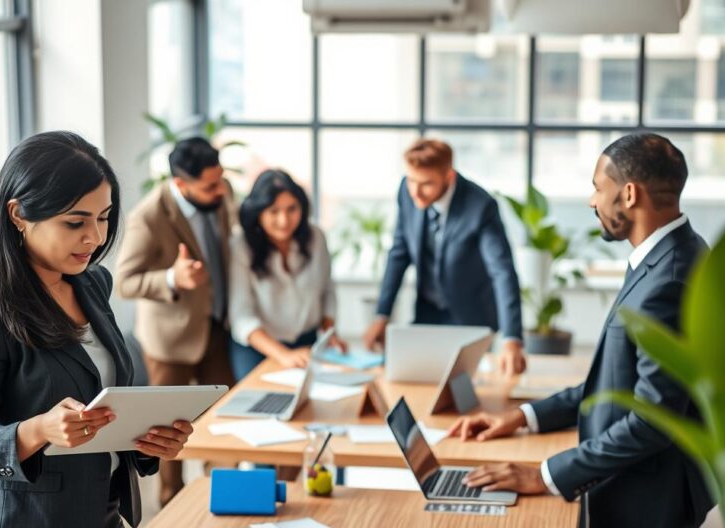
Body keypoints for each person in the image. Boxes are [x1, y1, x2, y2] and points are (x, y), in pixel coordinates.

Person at [446, 134, 713, 528]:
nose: (592, 200)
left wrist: (546, 475)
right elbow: (616, 382)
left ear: (628, 193)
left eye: (597, 186)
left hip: (648, 503)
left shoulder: (669, 276)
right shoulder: (671, 254)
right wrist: (522, 416)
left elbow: (652, 417)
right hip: (640, 491)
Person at [0, 131, 193, 528]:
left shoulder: (91, 283)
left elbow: (103, 399)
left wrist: (149, 441)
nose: (94, 237)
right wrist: (39, 429)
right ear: (18, 214)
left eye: (103, 217)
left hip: (101, 526)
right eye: (75, 222)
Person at [115, 136, 235, 506]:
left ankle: (225, 498)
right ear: (181, 184)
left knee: (222, 416)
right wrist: (171, 278)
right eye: (210, 185)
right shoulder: (148, 217)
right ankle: (171, 504)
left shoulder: (221, 192)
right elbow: (124, 281)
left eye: (220, 179)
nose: (220, 189)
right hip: (169, 340)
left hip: (215, 325)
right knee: (168, 429)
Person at [362, 138, 526, 376]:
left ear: (449, 177)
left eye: (426, 183)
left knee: (464, 388)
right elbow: (399, 252)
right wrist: (382, 314)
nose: (416, 192)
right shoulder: (406, 192)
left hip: (470, 317)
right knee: (412, 377)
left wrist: (512, 339)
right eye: (411, 181)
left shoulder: (481, 206)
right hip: (427, 312)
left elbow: (502, 271)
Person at [228, 169, 344, 380]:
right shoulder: (241, 246)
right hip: (259, 346)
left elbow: (327, 289)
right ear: (258, 213)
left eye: (292, 209)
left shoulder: (315, 237)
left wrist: (330, 335)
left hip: (306, 340)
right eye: (273, 211)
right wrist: (283, 355)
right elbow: (241, 316)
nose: (284, 220)